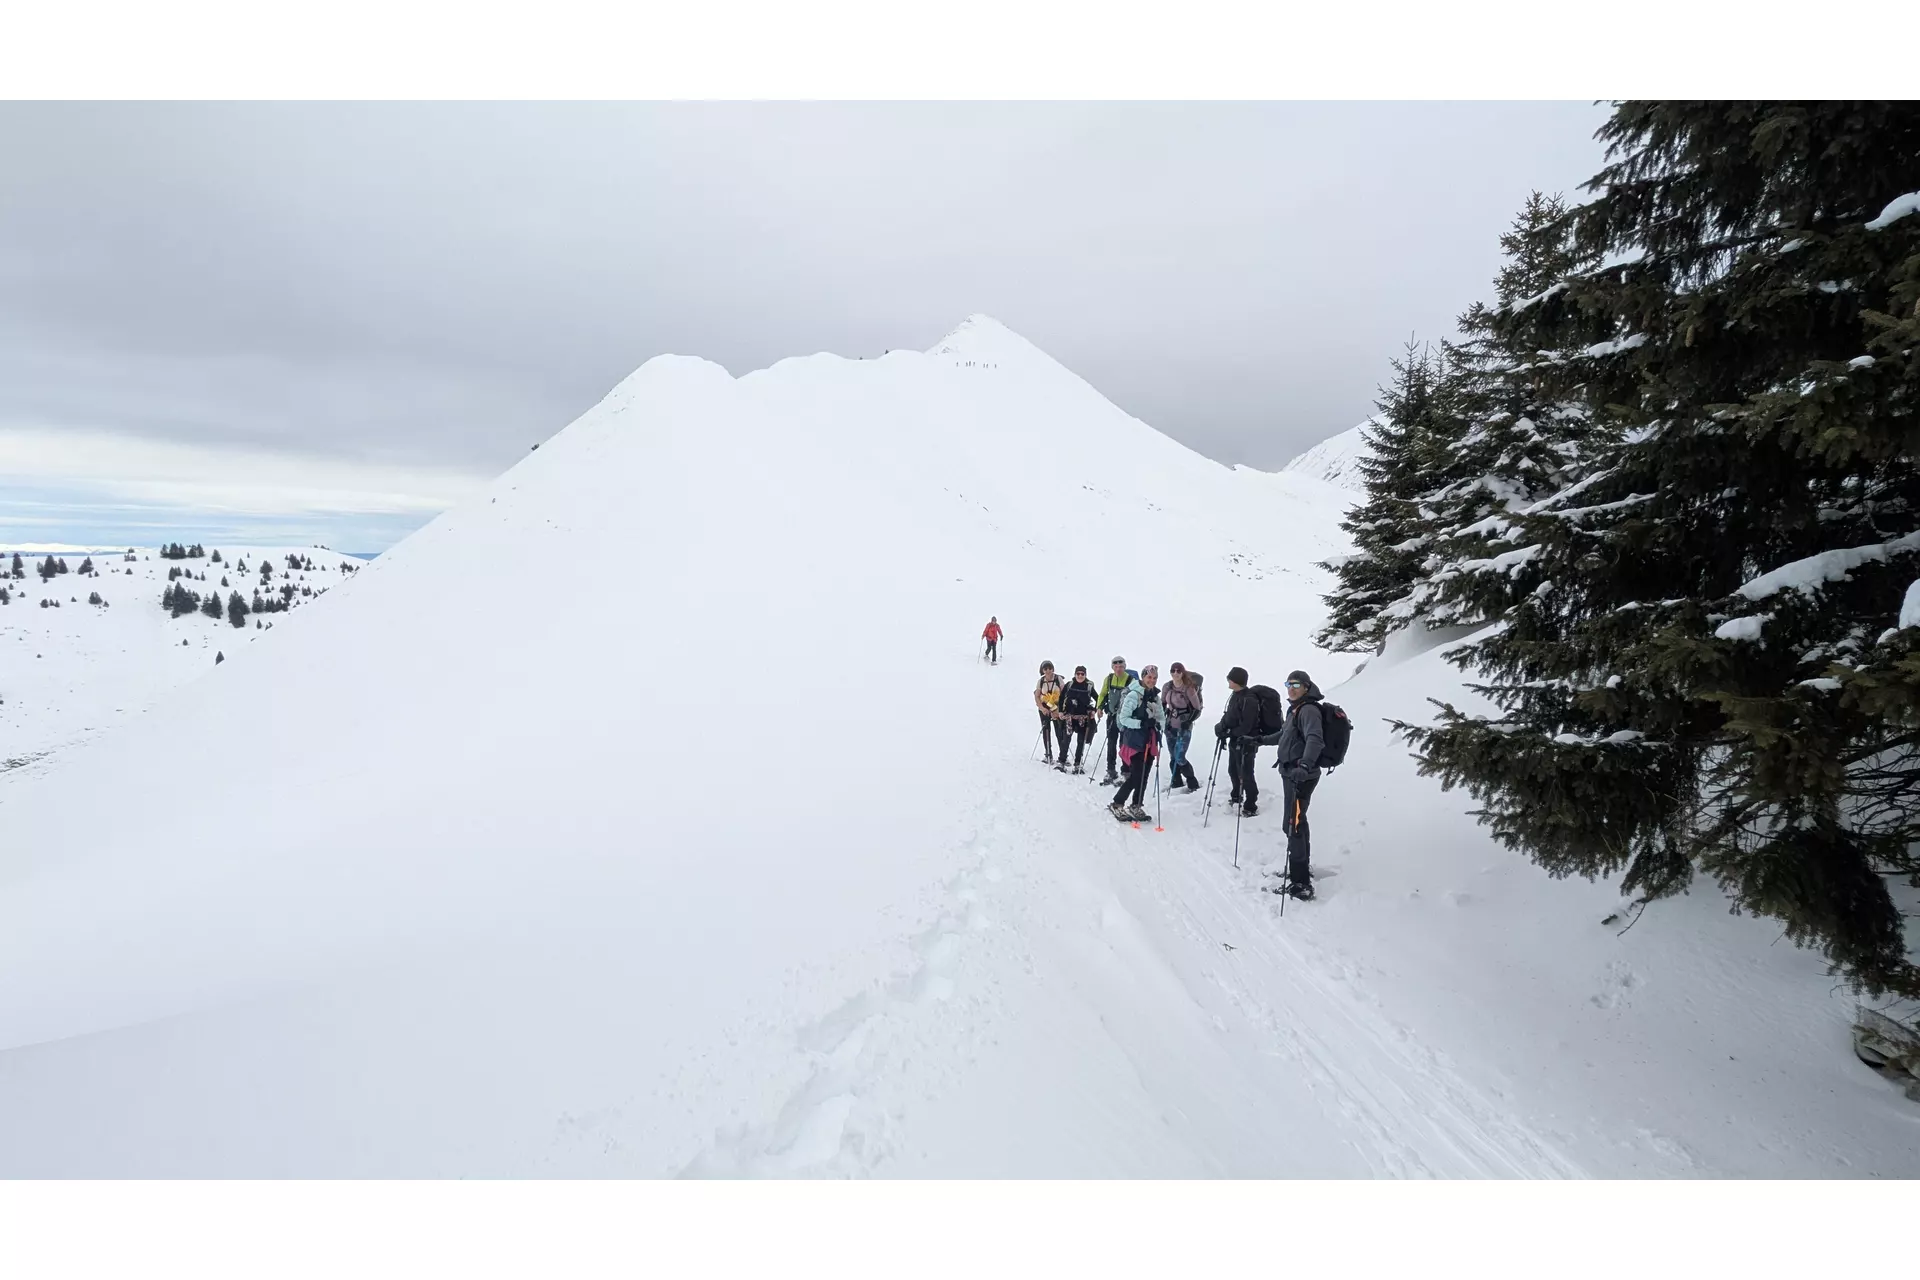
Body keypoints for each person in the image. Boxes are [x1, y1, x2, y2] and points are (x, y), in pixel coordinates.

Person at [1273, 670, 1327, 899]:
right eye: (1288, 684)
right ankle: (1301, 871)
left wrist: (1304, 766)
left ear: (1306, 686)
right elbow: (1284, 736)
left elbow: (1315, 738)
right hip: (1292, 773)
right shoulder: (1295, 710)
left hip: (1301, 775)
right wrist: (1257, 741)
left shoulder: (1308, 710)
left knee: (1293, 823)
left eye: (1296, 684)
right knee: (1297, 821)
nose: (1291, 688)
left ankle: (1301, 884)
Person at [1109, 664, 1167, 821]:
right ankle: (1117, 803)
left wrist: (1158, 724)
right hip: (1134, 741)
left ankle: (1136, 804)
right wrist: (1141, 723)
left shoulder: (1155, 696)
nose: (1152, 680)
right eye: (1149, 677)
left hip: (1150, 740)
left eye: (1154, 678)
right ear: (1143, 677)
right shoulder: (1133, 695)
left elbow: (1162, 717)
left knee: (1145, 775)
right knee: (1136, 776)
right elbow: (1123, 718)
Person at [1213, 666, 1263, 817]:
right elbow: (1229, 715)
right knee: (1233, 770)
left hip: (1247, 742)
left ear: (1237, 681)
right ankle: (1237, 795)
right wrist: (1221, 727)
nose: (1228, 680)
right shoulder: (1235, 695)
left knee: (1246, 773)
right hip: (1235, 741)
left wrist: (1230, 732)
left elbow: (1247, 725)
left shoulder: (1249, 699)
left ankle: (1251, 804)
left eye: (1230, 678)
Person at [1161, 662, 1205, 792]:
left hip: (1184, 727)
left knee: (1180, 757)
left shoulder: (1189, 689)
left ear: (1182, 672)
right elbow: (1163, 703)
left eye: (1178, 671)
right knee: (1173, 756)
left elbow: (1197, 709)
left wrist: (1188, 721)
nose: (1175, 673)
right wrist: (1162, 718)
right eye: (1173, 671)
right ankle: (1176, 781)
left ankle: (1192, 782)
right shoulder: (1167, 687)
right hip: (1170, 726)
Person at [1095, 656, 1137, 785]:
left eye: (1121, 667)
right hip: (1112, 716)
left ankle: (1126, 771)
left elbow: (1136, 696)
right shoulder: (1108, 679)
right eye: (1116, 667)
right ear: (1112, 667)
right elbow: (1103, 694)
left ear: (1124, 667)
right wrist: (1099, 708)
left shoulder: (1131, 680)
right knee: (1111, 744)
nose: (1118, 669)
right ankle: (1111, 770)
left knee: (1124, 744)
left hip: (1125, 718)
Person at [1056, 664, 1098, 774]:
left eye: (1082, 674)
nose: (1080, 676)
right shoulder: (1069, 685)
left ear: (1085, 675)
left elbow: (1098, 698)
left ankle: (1077, 764)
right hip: (1069, 717)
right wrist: (1060, 711)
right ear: (1075, 674)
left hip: (1083, 719)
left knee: (1081, 742)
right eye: (1078, 674)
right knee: (1066, 740)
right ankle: (1062, 761)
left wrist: (1094, 710)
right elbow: (1061, 697)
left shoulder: (1089, 687)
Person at [1034, 661, 1067, 765]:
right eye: (1045, 669)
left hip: (1057, 707)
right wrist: (1042, 708)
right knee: (1046, 730)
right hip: (1044, 708)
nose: (1048, 671)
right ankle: (1048, 754)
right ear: (1042, 670)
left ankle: (1063, 756)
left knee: (1059, 732)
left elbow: (1065, 694)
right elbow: (1037, 695)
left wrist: (1058, 710)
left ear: (1053, 669)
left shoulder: (1058, 679)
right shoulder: (1041, 681)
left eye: (1050, 668)